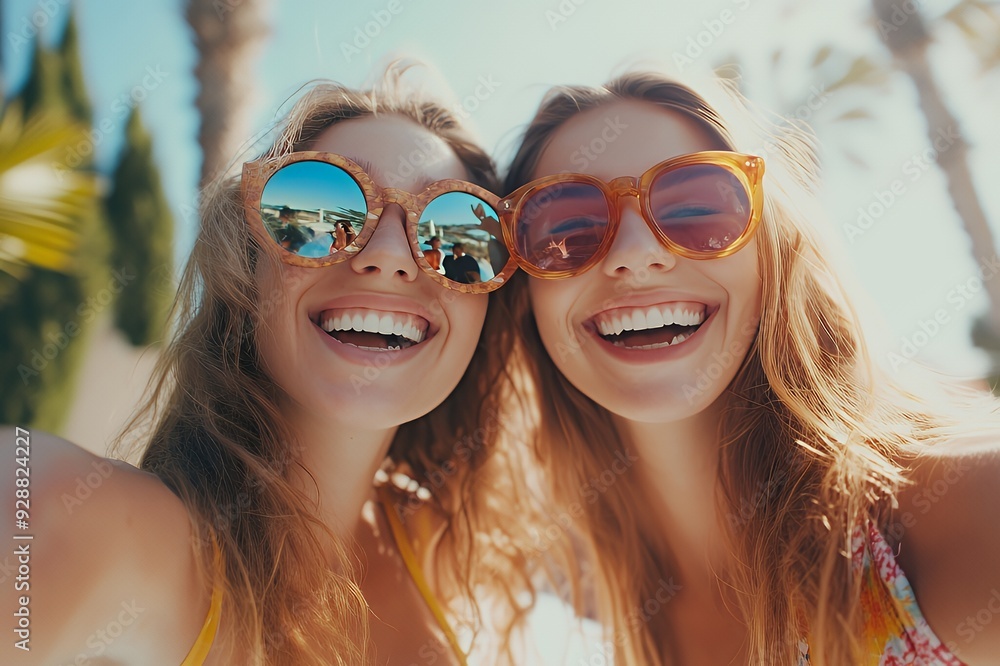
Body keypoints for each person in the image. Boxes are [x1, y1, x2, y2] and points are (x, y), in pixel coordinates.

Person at [1, 73, 542, 666]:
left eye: (458, 230)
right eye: (318, 208)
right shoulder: (77, 517)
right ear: (244, 267)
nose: (389, 256)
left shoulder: (456, 544)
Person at [494, 72, 1000, 665]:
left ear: (773, 251)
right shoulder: (579, 611)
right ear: (523, 293)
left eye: (695, 209)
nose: (634, 253)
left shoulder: (964, 511)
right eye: (569, 228)